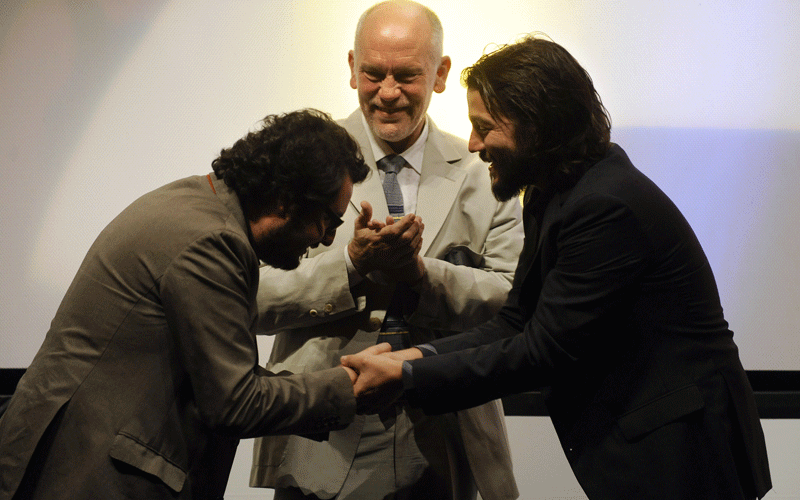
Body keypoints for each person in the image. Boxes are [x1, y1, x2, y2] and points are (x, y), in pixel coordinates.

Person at [343, 35, 773, 500]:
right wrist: (415, 358)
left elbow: (543, 350)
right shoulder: (554, 192)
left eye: (485, 127)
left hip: (682, 455)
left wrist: (406, 378)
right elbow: (516, 319)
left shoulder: (605, 205)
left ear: (537, 126)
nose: (474, 144)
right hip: (642, 443)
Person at [0, 109, 370, 500]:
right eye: (329, 220)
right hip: (87, 477)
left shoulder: (197, 203)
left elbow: (215, 378)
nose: (328, 239)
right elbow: (234, 403)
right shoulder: (213, 241)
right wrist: (350, 387)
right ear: (285, 198)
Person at [249, 2, 523, 499]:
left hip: (445, 431)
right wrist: (350, 266)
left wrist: (422, 276)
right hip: (320, 432)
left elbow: (516, 301)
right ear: (352, 68)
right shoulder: (297, 160)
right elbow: (249, 298)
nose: (389, 93)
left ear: (440, 75)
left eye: (407, 76)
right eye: (374, 74)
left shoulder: (485, 170)